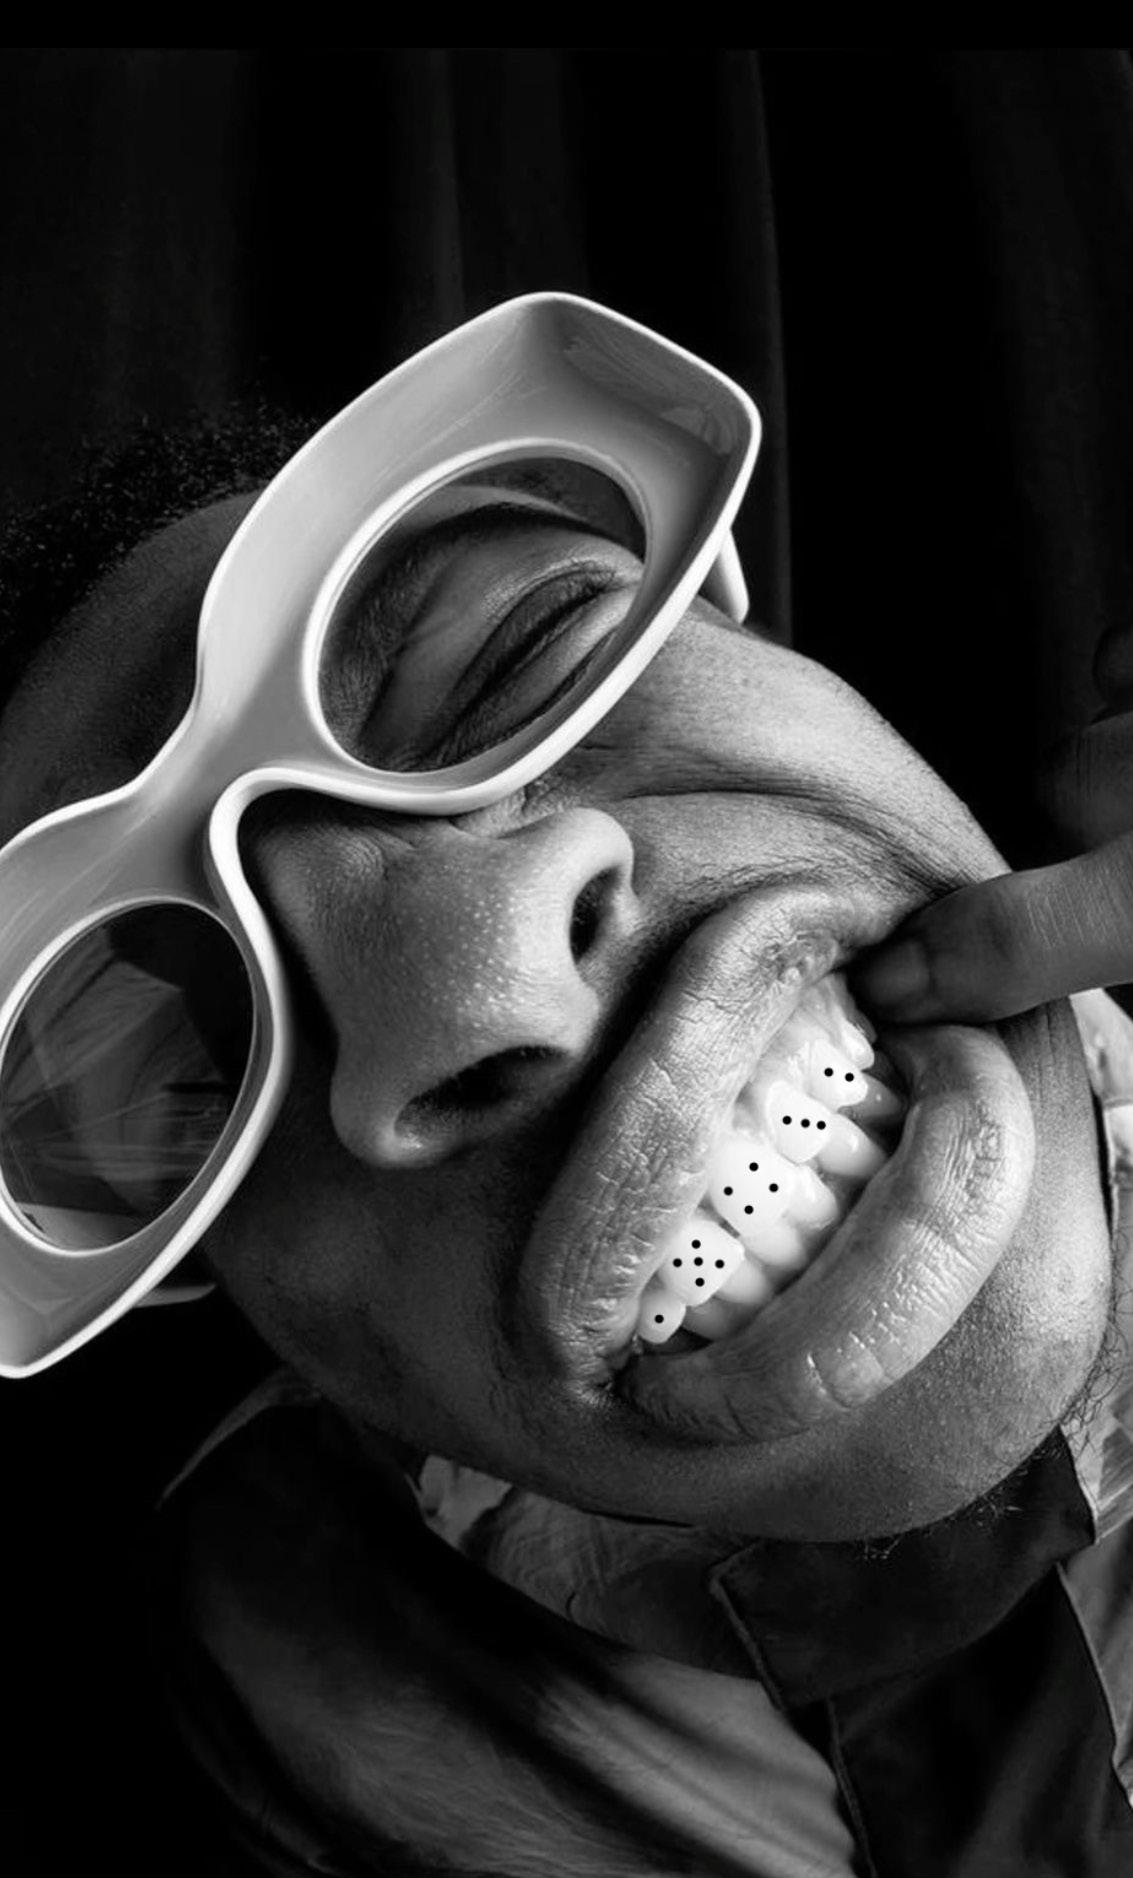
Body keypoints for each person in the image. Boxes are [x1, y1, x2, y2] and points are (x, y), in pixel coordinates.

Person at [2, 295, 1132, 1877]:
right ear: (197, 1273)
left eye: (520, 651)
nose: (485, 982)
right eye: (181, 1065)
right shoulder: (309, 1658)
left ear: (737, 615)